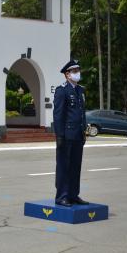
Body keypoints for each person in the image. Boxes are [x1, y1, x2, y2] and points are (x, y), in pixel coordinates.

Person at [53, 59, 89, 207]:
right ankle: (62, 196)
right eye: (74, 71)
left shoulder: (80, 90)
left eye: (78, 71)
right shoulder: (62, 90)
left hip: (78, 135)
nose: (77, 73)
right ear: (67, 74)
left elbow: (82, 113)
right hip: (66, 136)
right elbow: (58, 115)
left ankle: (73, 195)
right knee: (63, 166)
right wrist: (59, 135)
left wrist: (84, 131)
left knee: (76, 166)